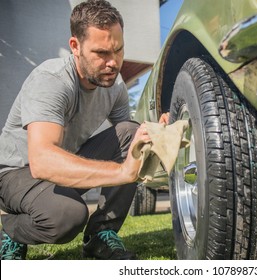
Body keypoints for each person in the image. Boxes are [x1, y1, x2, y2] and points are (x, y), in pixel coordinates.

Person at [0, 0, 168, 260]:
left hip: (56, 168)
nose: (113, 63)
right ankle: (12, 231)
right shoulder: (52, 81)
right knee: (67, 215)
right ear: (75, 47)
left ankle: (101, 235)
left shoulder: (115, 86)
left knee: (130, 132)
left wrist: (161, 131)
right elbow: (42, 162)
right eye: (102, 53)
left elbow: (132, 139)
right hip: (15, 173)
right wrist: (123, 171)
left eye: (119, 50)